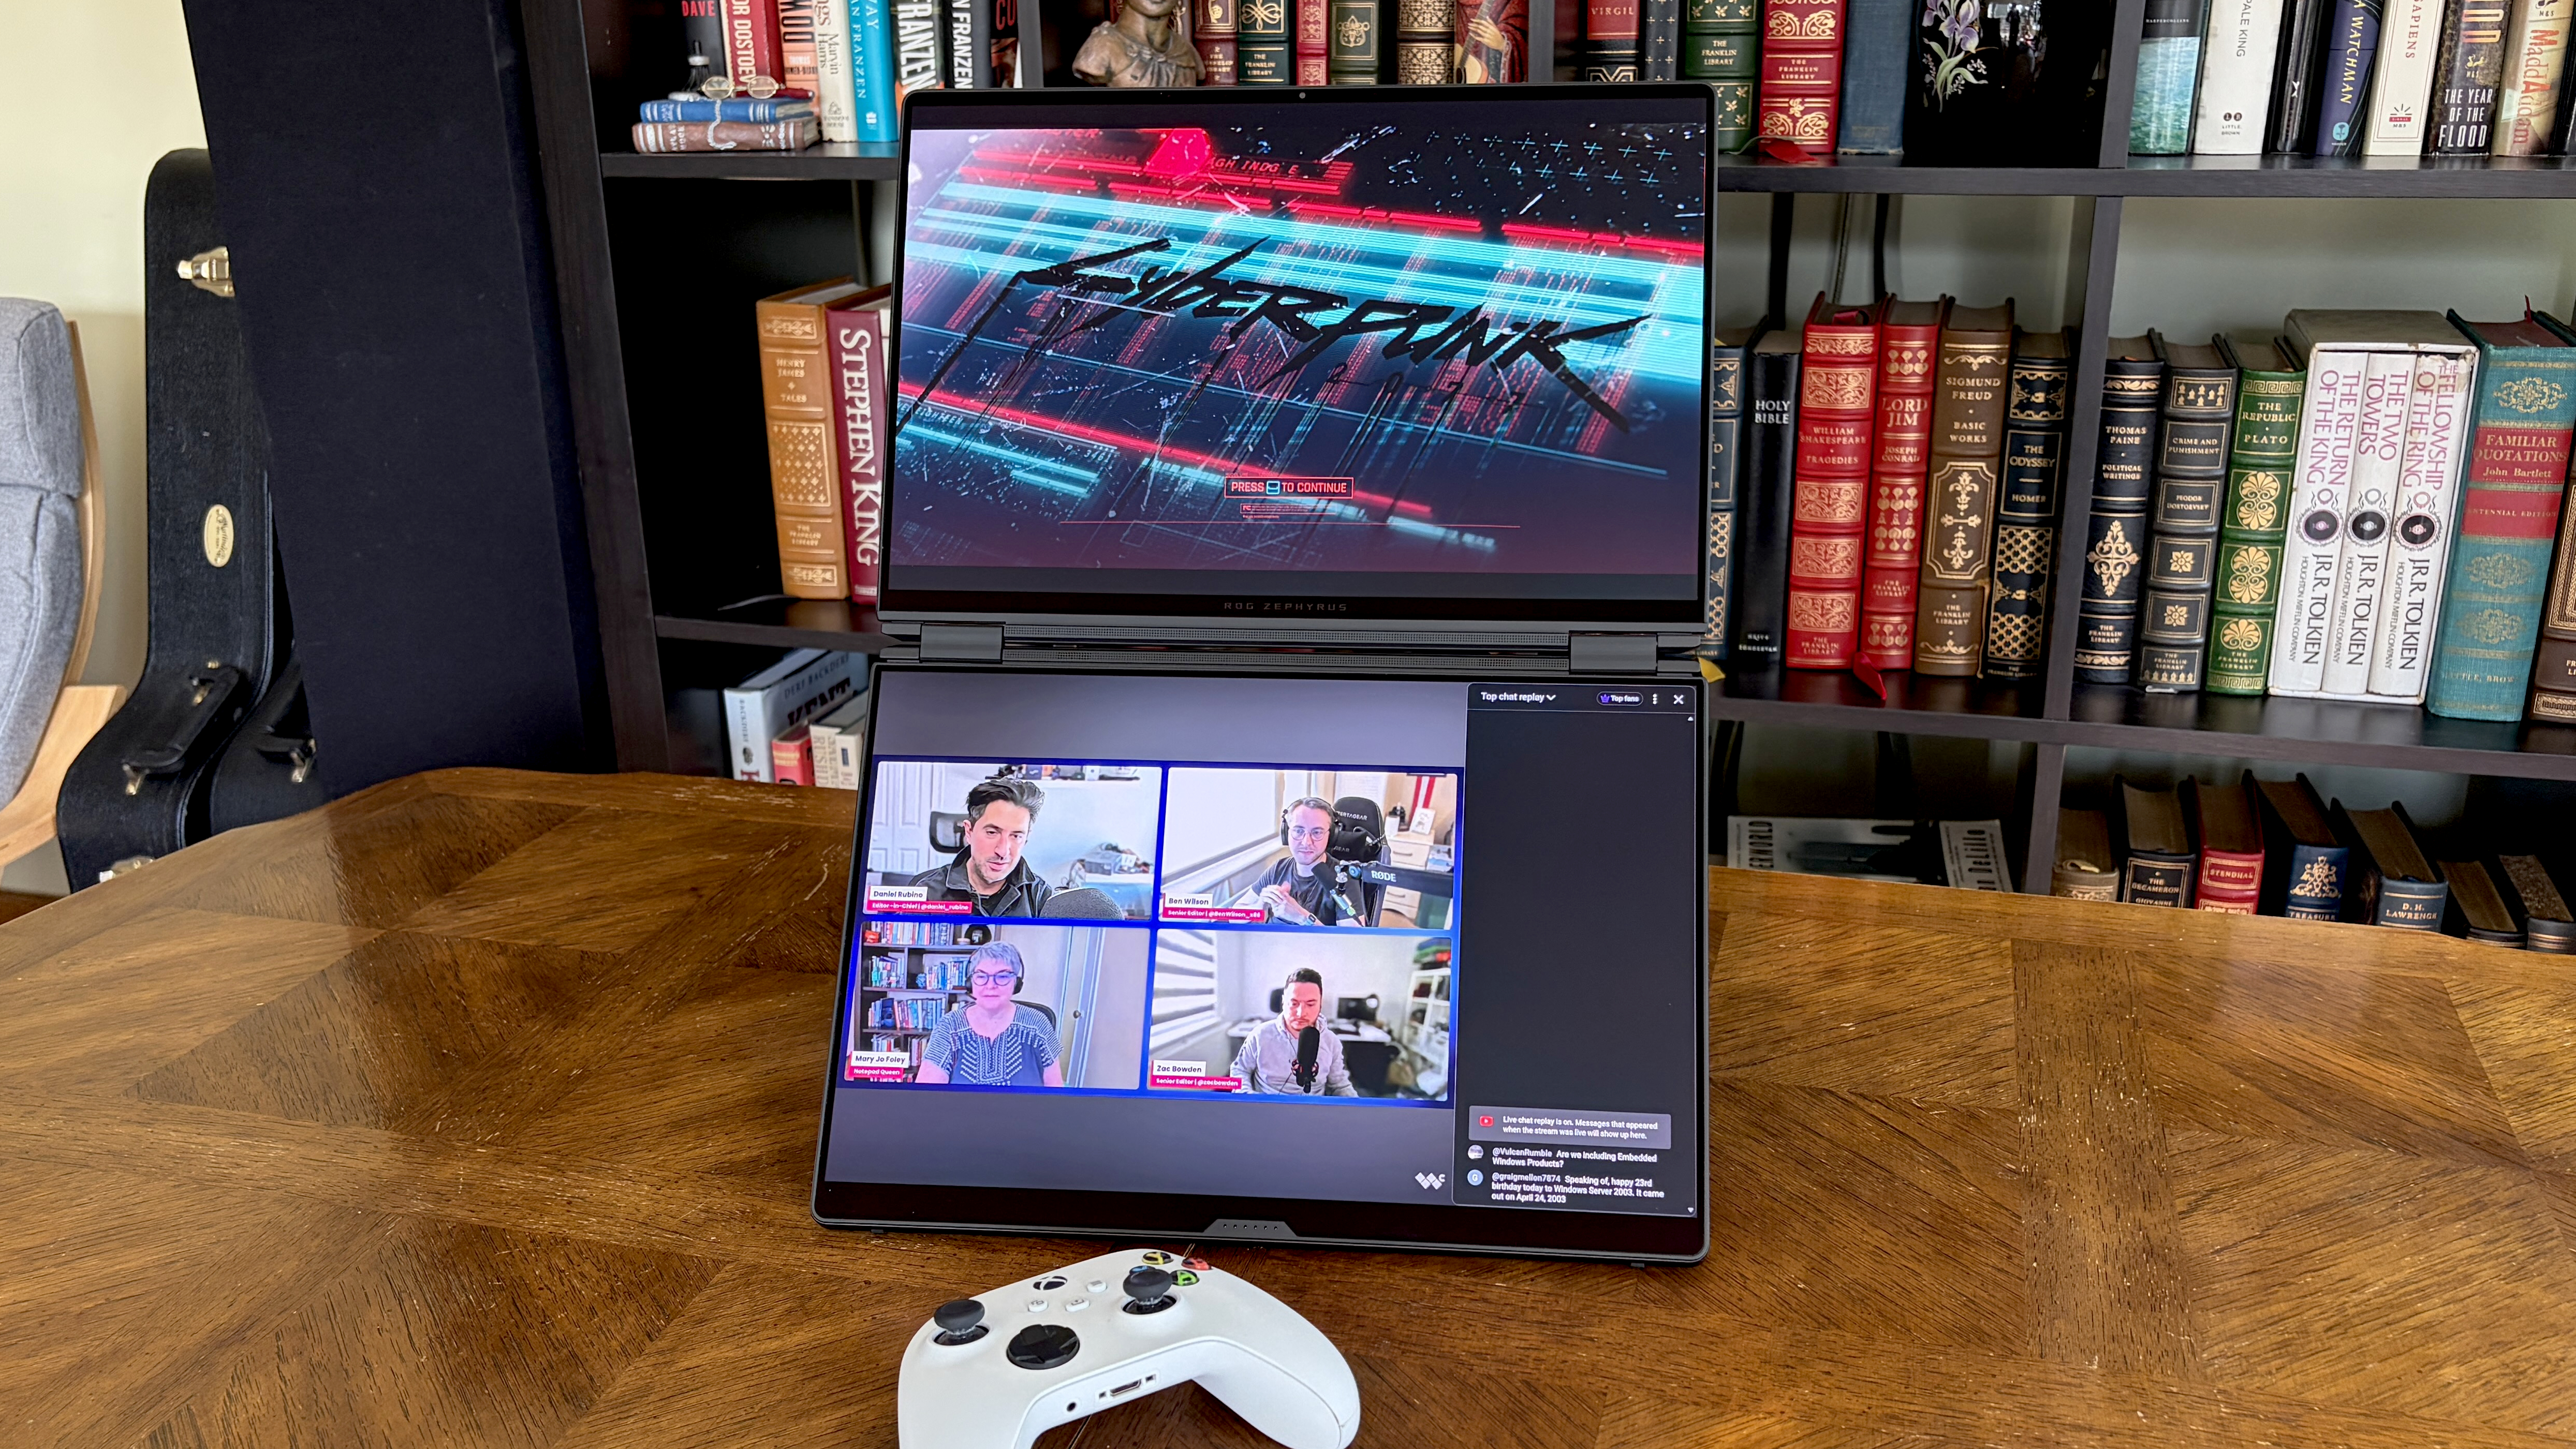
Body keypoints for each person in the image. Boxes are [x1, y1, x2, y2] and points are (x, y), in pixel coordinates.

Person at [915, 942, 1064, 1087]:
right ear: (971, 983)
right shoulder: (949, 1026)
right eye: (981, 976)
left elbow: (1055, 1090)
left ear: (1016, 984)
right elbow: (927, 1093)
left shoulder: (1037, 1023)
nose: (991, 985)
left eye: (1003, 976)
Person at [906, 776, 1055, 917]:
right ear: (969, 831)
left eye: (1016, 836)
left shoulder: (1040, 897)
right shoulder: (927, 893)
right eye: (992, 832)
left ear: (1026, 839)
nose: (1003, 851)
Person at [1232, 797, 1362, 927]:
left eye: (1317, 832)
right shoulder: (1278, 869)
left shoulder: (1343, 878)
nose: (1306, 842)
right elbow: (1234, 917)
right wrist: (1260, 906)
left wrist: (1301, 917)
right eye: (1299, 831)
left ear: (1332, 835)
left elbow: (1351, 943)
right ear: (1286, 832)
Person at [1231, 967, 1356, 1096]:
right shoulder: (1260, 1035)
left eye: (1311, 1004)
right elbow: (1240, 1070)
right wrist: (1247, 1096)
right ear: (1284, 1002)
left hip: (1313, 1110)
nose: (1301, 1013)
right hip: (1268, 1108)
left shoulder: (1331, 1041)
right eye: (1294, 1003)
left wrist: (1357, 1109)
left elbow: (1340, 1085)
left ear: (1320, 1004)